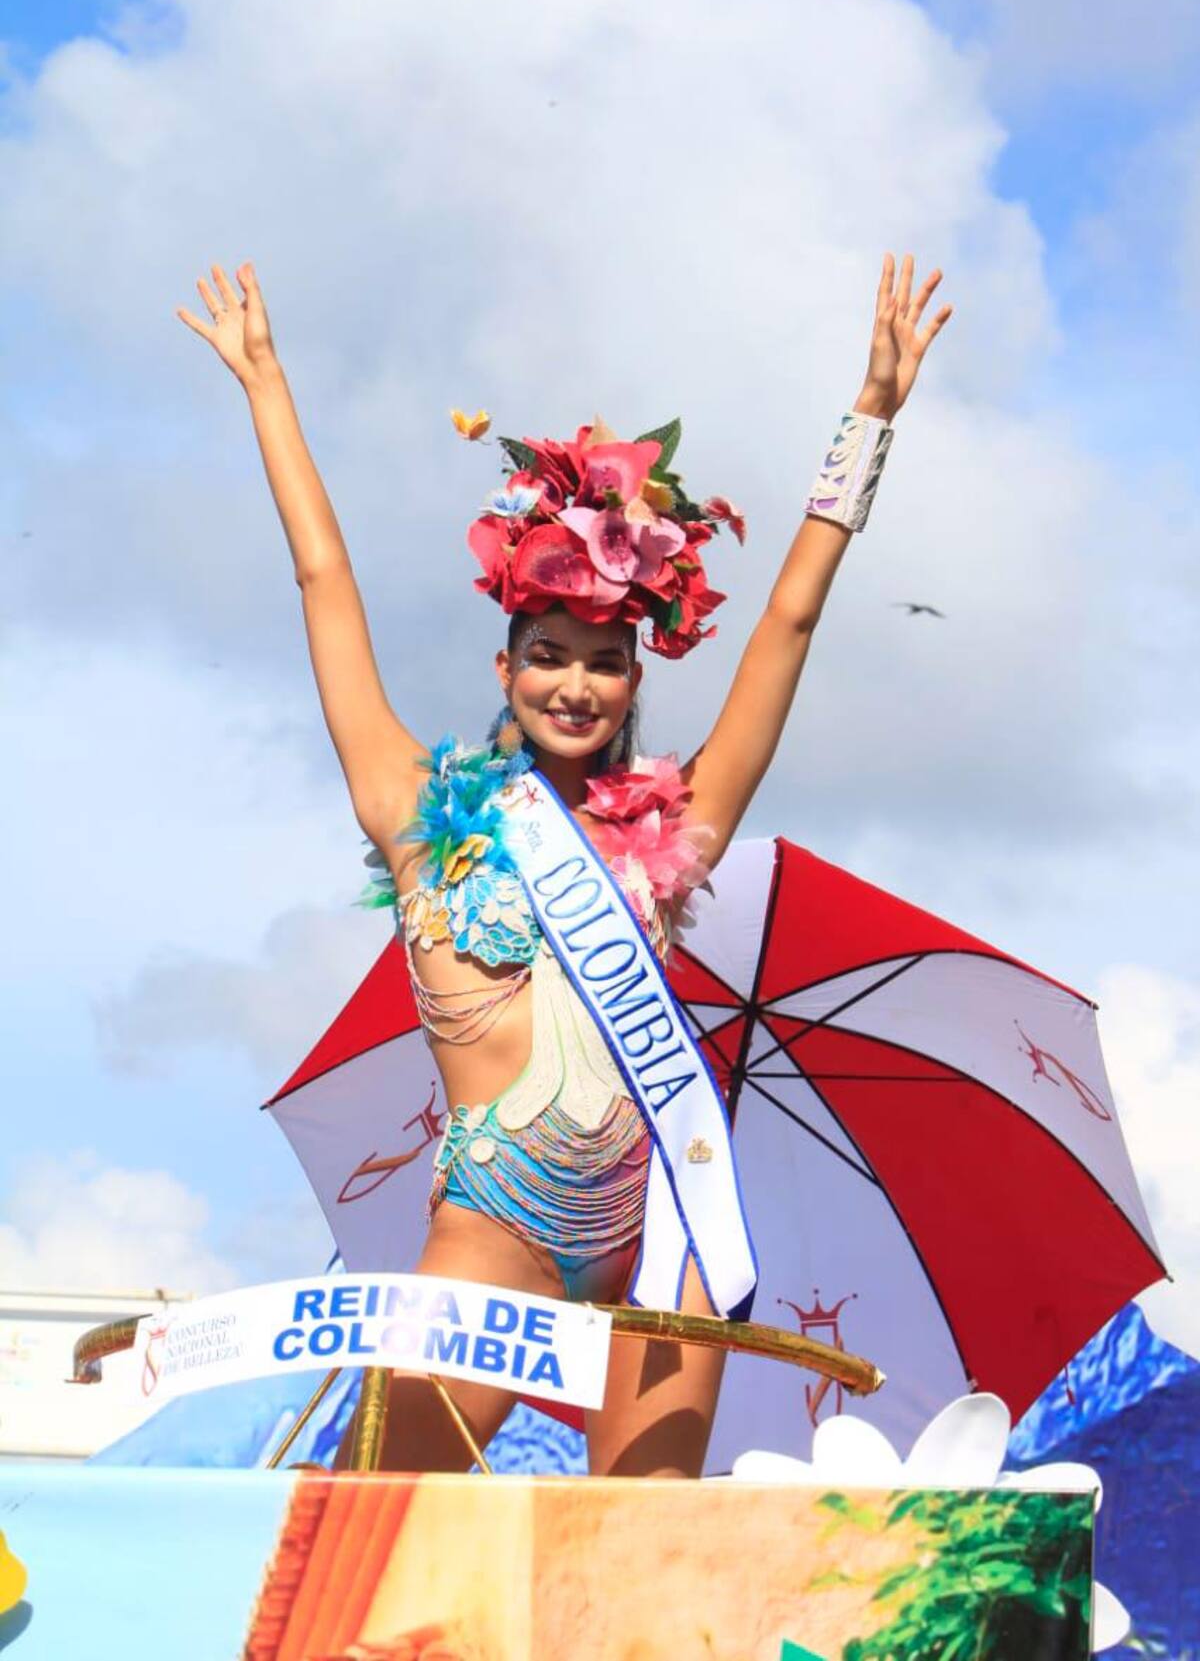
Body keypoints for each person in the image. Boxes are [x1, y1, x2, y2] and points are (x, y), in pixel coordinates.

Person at [176, 253, 951, 1475]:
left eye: (603, 659)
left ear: (635, 680)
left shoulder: (676, 824)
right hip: (497, 1231)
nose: (574, 683)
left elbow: (786, 627)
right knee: (381, 1521)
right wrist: (266, 383)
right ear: (505, 667)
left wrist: (871, 418)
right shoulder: (417, 812)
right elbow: (323, 578)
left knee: (633, 1570)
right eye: (548, 652)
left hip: (661, 1233)